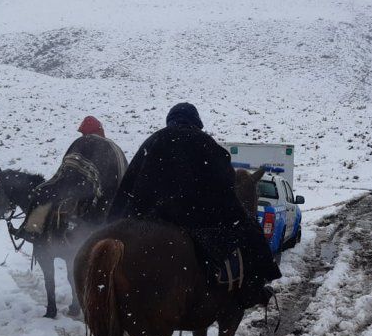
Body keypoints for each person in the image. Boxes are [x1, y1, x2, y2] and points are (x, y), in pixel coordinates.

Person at [107, 102, 280, 308]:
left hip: (148, 217)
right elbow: (226, 181)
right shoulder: (205, 142)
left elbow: (128, 184)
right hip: (196, 219)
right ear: (197, 123)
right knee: (250, 230)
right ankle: (256, 288)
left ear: (170, 121)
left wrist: (112, 221)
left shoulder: (152, 141)